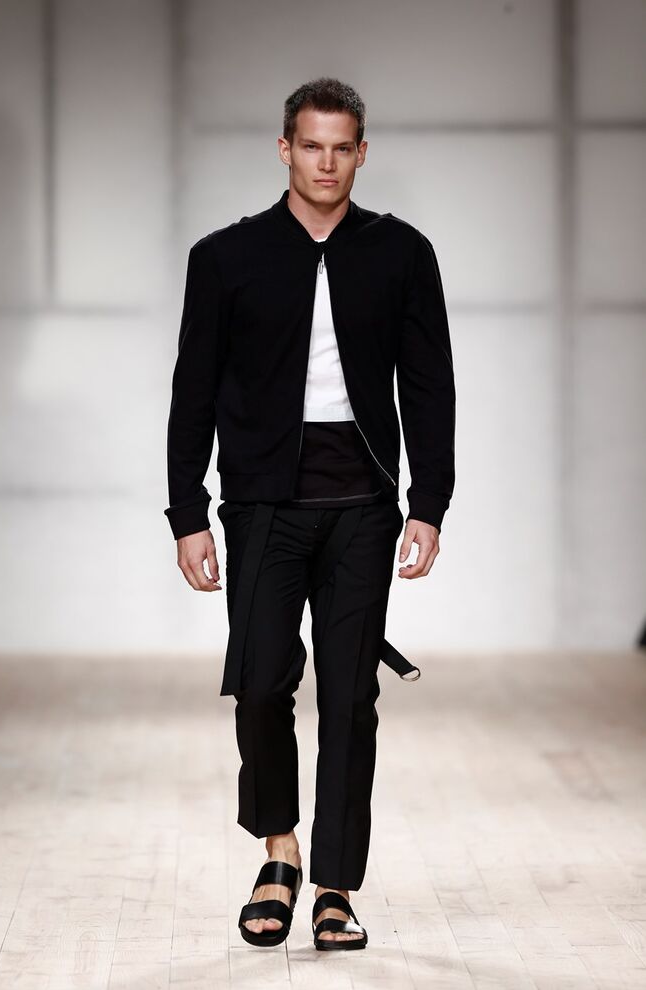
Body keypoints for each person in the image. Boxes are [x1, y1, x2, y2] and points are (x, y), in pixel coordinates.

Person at [164, 76, 456, 951]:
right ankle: (280, 850)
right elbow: (192, 390)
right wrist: (187, 512)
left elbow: (429, 387)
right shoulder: (227, 257)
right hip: (262, 505)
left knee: (351, 699)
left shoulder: (402, 254)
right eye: (311, 146)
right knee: (259, 684)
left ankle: (333, 885)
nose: (326, 163)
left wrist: (429, 504)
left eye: (342, 148)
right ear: (284, 149)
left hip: (364, 507)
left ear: (362, 154)